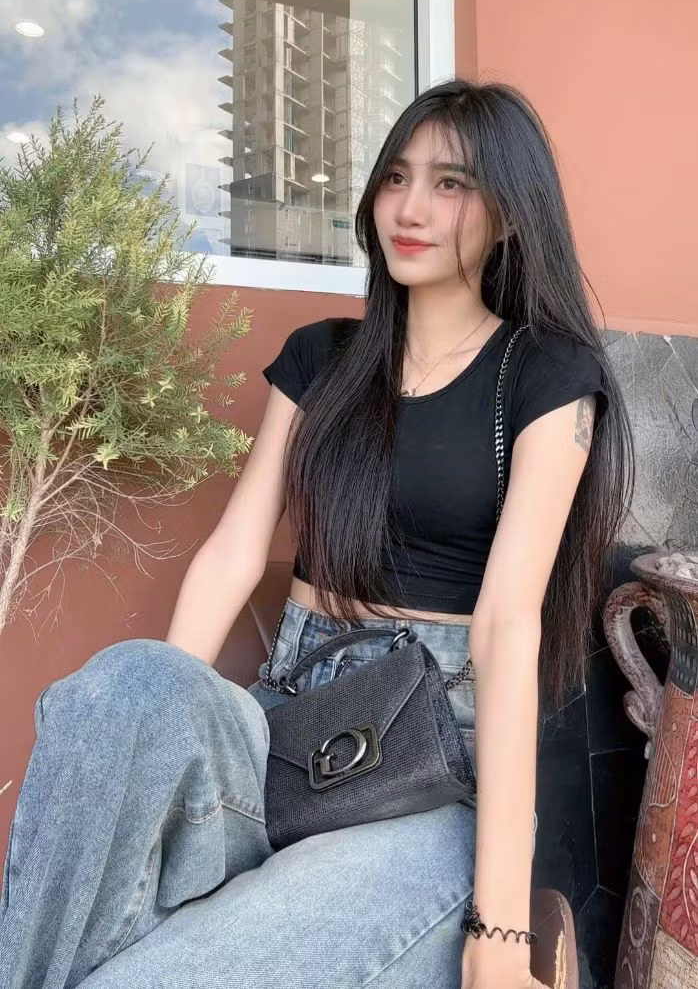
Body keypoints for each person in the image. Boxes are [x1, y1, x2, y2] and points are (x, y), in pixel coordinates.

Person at [0, 80, 634, 989]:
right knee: (124, 687)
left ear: (507, 212)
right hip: (283, 719)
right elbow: (234, 551)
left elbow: (506, 625)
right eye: (396, 178)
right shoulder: (321, 357)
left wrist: (499, 926)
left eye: (451, 184)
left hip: (430, 768)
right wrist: (162, 734)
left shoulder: (544, 376)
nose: (410, 209)